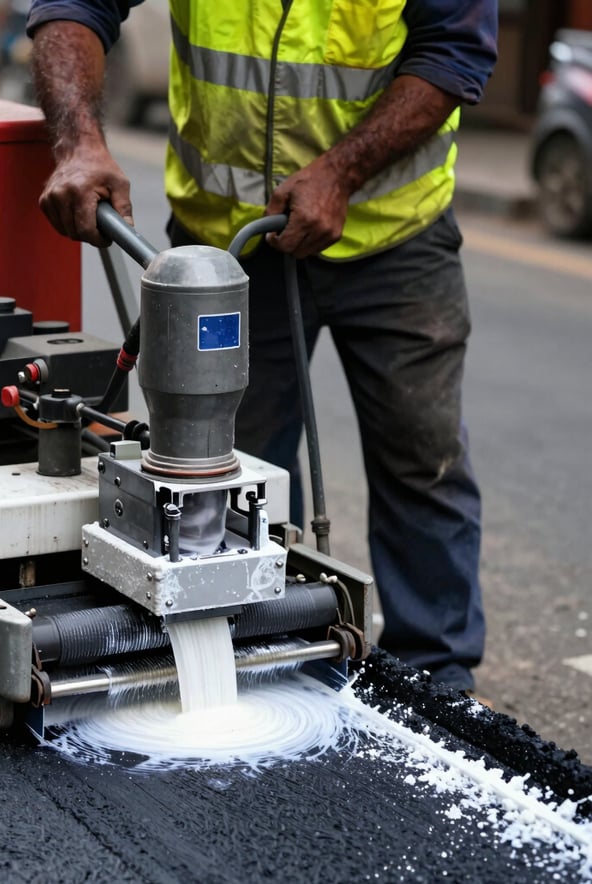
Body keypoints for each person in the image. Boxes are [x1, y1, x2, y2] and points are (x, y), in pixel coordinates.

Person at [25, 0, 498, 694]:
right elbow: (74, 6)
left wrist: (342, 171)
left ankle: (438, 678)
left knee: (422, 456)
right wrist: (77, 141)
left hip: (396, 239)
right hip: (226, 247)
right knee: (229, 464)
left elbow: (454, 50)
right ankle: (258, 644)